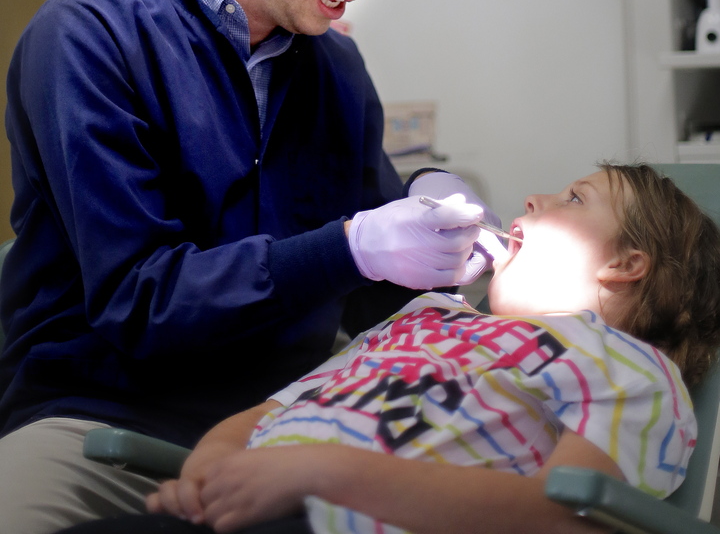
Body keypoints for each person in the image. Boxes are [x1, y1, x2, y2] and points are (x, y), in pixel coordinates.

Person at [0, 0, 503, 533]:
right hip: (93, 423)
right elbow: (144, 300)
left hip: (280, 428)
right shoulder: (92, 38)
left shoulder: (334, 67)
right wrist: (353, 248)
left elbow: (370, 292)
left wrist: (441, 241)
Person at [56, 162, 720, 534]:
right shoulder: (427, 318)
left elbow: (563, 515)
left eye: (575, 197)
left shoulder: (629, 366)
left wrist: (320, 474)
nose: (534, 196)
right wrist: (211, 472)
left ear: (626, 265)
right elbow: (264, 417)